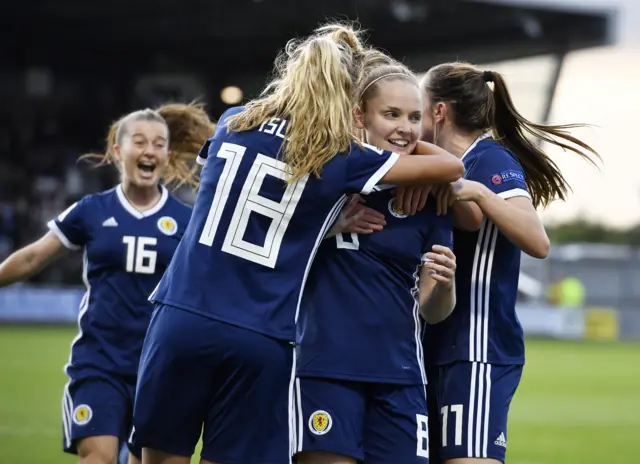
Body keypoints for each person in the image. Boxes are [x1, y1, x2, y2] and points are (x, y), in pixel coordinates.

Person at [131, 23, 464, 464]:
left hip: (183, 314)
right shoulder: (340, 156)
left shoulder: (235, 120)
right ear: (351, 103)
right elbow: (451, 167)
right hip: (262, 333)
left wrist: (321, 224)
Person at [0, 103, 214, 464]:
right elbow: (34, 257)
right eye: (140, 142)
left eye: (159, 144)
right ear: (118, 150)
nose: (150, 151)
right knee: (97, 458)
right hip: (98, 363)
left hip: (158, 367)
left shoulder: (186, 221)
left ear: (167, 153)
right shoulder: (91, 210)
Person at [419, 62, 599, 464]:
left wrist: (481, 194)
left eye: (419, 103)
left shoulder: (490, 160)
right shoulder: (431, 167)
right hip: (430, 349)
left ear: (439, 111)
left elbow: (538, 241)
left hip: (476, 350)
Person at [294, 50, 459, 464]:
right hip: (323, 367)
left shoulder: (429, 198)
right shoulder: (322, 177)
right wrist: (326, 227)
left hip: (400, 376)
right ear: (358, 118)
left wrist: (445, 282)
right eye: (391, 114)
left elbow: (434, 311)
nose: (405, 129)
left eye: (414, 117)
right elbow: (271, 252)